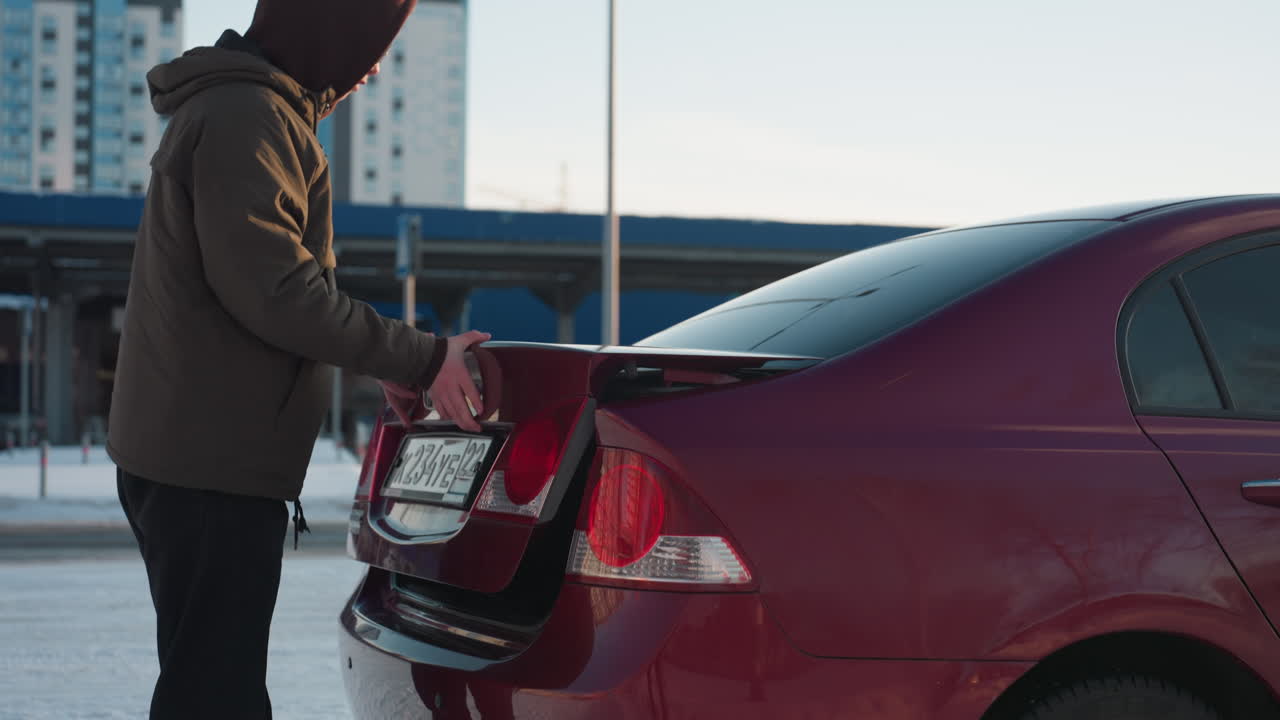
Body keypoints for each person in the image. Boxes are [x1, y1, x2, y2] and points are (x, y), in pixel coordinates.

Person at [106, 1, 488, 717]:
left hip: (201, 456)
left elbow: (262, 290)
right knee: (214, 691)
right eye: (367, 46)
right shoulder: (247, 117)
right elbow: (278, 293)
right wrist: (422, 356)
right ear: (326, 27)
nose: (371, 69)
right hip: (209, 468)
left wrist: (379, 361)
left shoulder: (248, 110)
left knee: (208, 681)